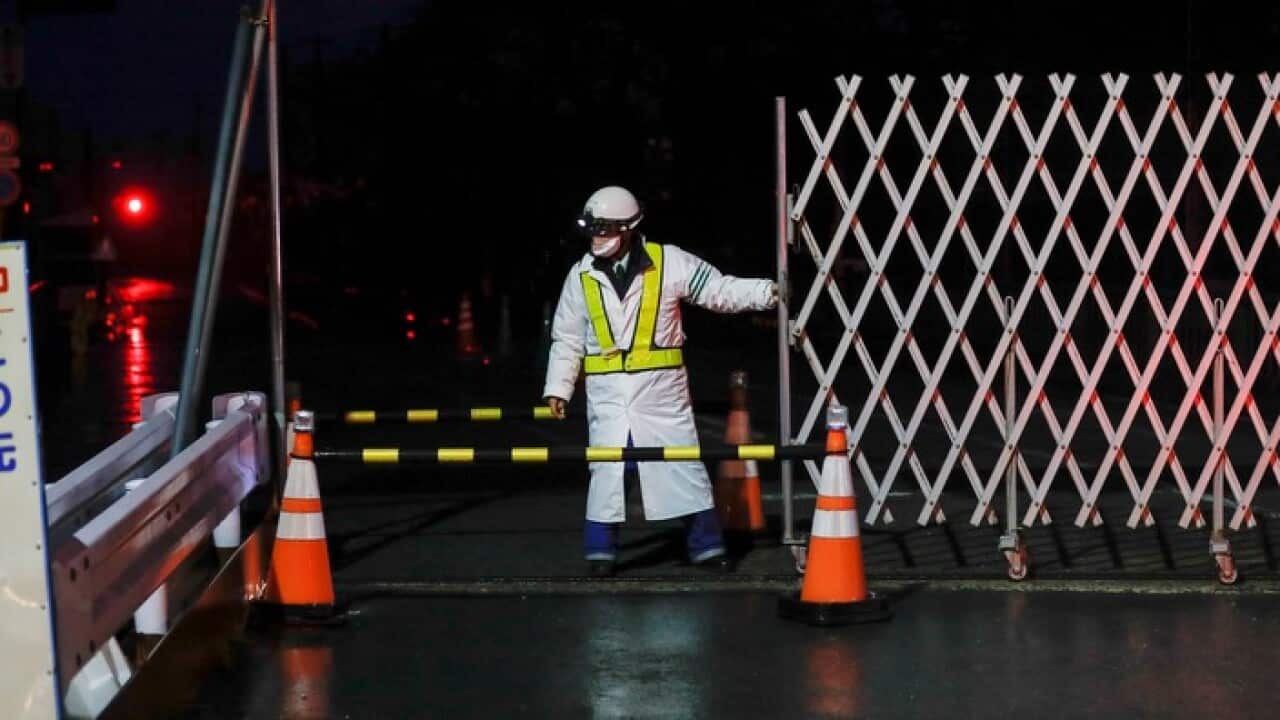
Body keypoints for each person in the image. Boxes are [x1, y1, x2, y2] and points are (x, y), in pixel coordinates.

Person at [542, 186, 778, 577]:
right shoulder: (580, 276)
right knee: (610, 473)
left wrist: (766, 292)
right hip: (610, 397)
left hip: (661, 393)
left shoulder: (669, 262)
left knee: (681, 468)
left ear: (628, 228)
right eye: (593, 230)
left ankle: (707, 545)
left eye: (604, 229)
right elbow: (566, 337)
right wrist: (558, 387)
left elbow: (718, 290)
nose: (596, 237)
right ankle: (600, 551)